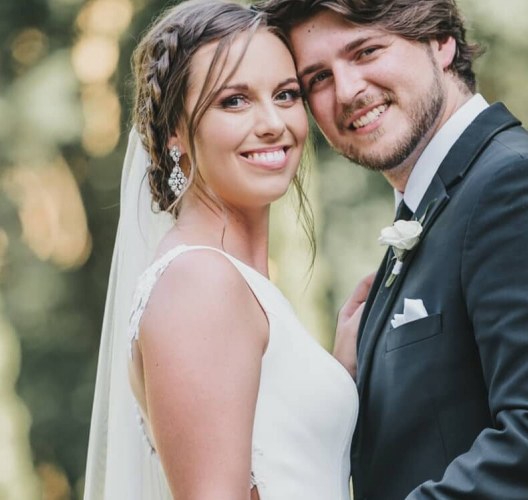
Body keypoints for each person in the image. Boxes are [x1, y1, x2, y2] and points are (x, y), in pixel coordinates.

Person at [261, 0, 528, 499]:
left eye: (366, 51)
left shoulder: (523, 189)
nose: (347, 91)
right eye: (318, 79)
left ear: (441, 41)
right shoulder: (433, 211)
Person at [83, 1, 371, 499]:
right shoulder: (199, 282)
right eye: (234, 101)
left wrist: (335, 377)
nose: (272, 123)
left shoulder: (229, 281)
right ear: (175, 130)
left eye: (286, 94)